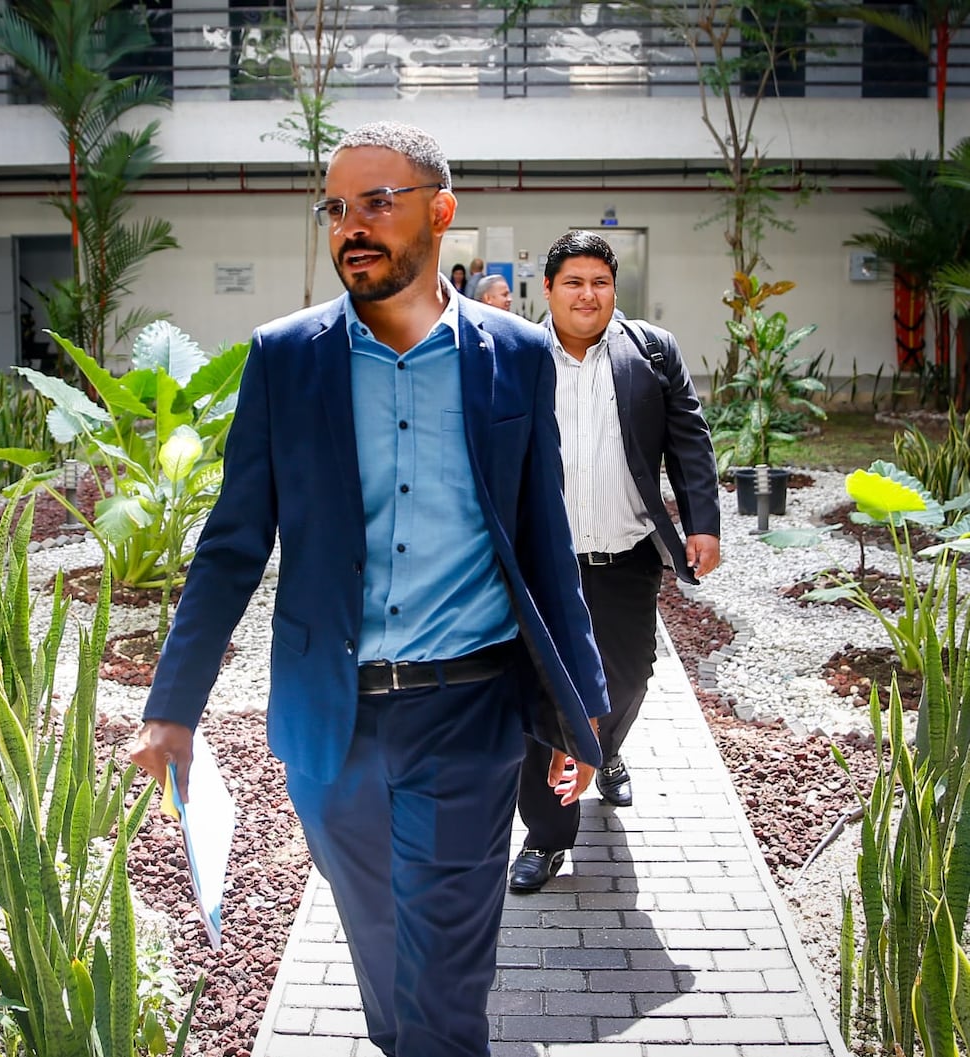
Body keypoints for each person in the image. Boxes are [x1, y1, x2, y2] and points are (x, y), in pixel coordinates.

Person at [130, 124, 609, 1057]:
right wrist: (172, 707)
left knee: (446, 989)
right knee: (387, 962)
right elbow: (232, 545)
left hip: (467, 712)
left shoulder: (514, 355)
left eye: (378, 203)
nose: (352, 226)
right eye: (337, 207)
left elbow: (545, 543)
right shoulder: (285, 357)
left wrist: (582, 706)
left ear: (441, 211)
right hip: (329, 729)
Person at [508, 229, 721, 894]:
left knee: (626, 681)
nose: (587, 294)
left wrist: (703, 524)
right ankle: (546, 837)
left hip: (626, 556)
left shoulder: (650, 351)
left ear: (614, 290)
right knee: (546, 696)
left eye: (599, 282)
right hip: (545, 563)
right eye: (573, 282)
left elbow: (689, 440)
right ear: (548, 289)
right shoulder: (515, 355)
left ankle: (605, 749)